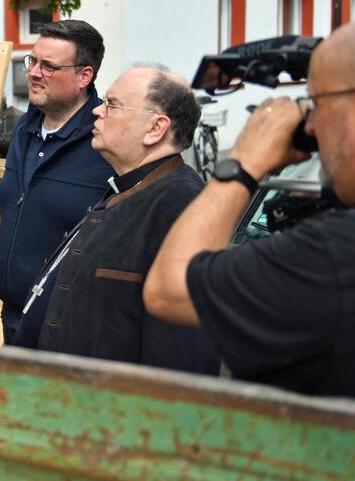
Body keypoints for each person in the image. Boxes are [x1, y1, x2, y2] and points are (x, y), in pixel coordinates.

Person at [145, 18, 355, 400]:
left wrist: (244, 163)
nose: (311, 126)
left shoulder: (339, 256)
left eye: (317, 103)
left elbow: (168, 288)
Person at [13, 66, 218, 374]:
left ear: (155, 128)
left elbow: (183, 351)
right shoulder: (128, 185)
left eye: (112, 105)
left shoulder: (182, 205)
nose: (97, 111)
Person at [0, 20, 113, 342]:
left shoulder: (107, 142)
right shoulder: (25, 128)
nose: (33, 72)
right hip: (14, 318)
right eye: (33, 61)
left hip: (69, 329)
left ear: (84, 76)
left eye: (49, 66)